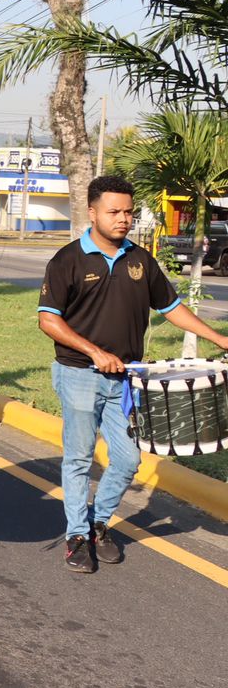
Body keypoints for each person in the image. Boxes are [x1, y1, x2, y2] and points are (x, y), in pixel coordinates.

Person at [37, 174, 228, 574]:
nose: (123, 219)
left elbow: (170, 307)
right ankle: (76, 536)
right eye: (114, 212)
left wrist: (218, 338)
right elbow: (48, 321)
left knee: (126, 461)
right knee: (78, 458)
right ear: (92, 212)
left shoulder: (141, 260)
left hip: (126, 380)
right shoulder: (67, 260)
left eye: (129, 211)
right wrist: (95, 351)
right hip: (78, 375)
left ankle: (99, 524)